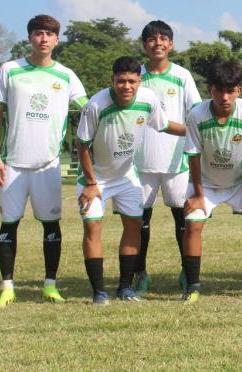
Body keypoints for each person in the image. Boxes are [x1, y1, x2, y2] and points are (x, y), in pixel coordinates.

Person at [0, 14, 88, 308]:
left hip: (48, 165)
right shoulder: (10, 70)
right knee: (8, 224)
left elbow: (89, 108)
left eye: (49, 34)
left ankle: (50, 285)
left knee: (51, 225)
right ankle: (7, 287)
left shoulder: (66, 76)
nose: (44, 38)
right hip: (13, 163)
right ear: (29, 37)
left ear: (57, 40)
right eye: (38, 33)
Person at [76, 56, 186, 304]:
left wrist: (196, 129)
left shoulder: (148, 100)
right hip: (95, 179)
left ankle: (125, 287)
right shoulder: (95, 105)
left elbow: (165, 125)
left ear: (140, 81)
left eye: (132, 81)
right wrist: (92, 184)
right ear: (112, 80)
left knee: (134, 226)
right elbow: (82, 145)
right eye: (121, 81)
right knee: (93, 227)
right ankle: (99, 292)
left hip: (126, 176)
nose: (127, 86)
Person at [180, 60, 242, 303]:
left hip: (239, 183)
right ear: (210, 89)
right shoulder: (197, 114)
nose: (225, 97)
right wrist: (198, 194)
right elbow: (194, 156)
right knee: (192, 223)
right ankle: (193, 288)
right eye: (220, 90)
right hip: (205, 184)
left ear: (239, 90)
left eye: (231, 91)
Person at [133, 20, 201, 293]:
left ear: (171, 44)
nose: (157, 43)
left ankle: (187, 270)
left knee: (182, 219)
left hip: (176, 162)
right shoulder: (135, 75)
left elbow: (196, 113)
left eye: (163, 39)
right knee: (139, 220)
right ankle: (140, 273)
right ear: (144, 44)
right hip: (140, 162)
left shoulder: (182, 76)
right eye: (151, 39)